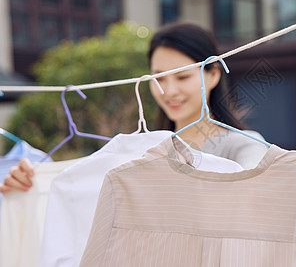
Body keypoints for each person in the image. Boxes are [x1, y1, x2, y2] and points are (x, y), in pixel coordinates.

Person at [0, 23, 268, 193]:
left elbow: (262, 184)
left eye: (182, 76)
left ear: (213, 75)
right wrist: (37, 183)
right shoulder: (139, 150)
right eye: (159, 78)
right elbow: (84, 189)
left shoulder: (241, 146)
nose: (169, 90)